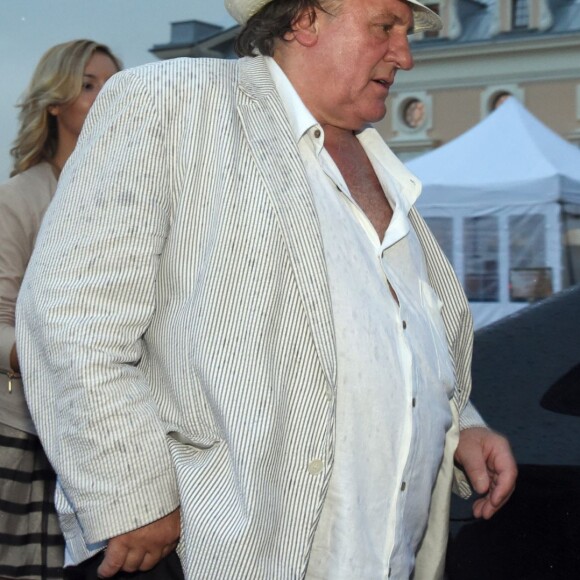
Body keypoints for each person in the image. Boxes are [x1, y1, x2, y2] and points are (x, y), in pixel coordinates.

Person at [16, 1, 518, 579]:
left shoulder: (381, 169)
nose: (404, 55)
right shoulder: (175, 101)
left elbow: (391, 331)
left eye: (406, 34)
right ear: (305, 20)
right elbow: (70, 315)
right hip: (219, 554)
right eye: (385, 27)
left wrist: (462, 424)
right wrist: (133, 497)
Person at [0, 39, 121, 579]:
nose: (103, 96)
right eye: (88, 85)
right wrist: (62, 362)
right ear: (55, 102)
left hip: (110, 441)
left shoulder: (129, 195)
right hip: (26, 434)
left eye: (112, 85)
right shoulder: (21, 198)